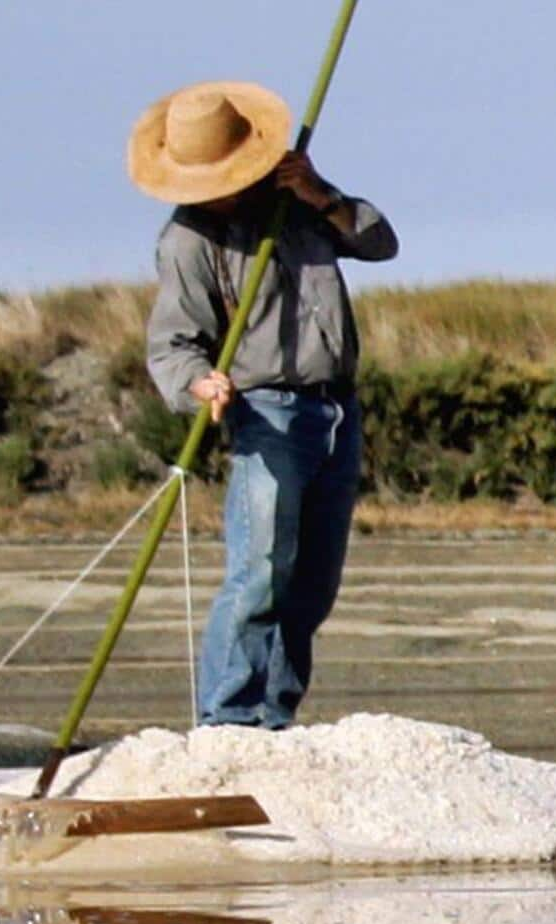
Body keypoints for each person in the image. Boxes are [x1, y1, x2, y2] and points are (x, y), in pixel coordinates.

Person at [127, 80, 398, 729]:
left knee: (312, 585)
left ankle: (276, 716)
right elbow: (172, 346)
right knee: (260, 574)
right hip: (267, 411)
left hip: (336, 405)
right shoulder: (187, 240)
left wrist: (321, 195)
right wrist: (200, 383)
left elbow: (379, 242)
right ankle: (228, 719)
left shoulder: (296, 199)